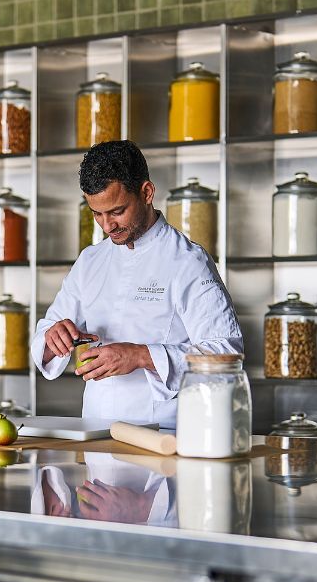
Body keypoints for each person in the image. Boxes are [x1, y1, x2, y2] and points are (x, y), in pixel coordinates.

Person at [29, 140, 242, 428]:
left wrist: (142, 355)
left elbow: (226, 355)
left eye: (117, 211)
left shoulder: (187, 261)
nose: (107, 226)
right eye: (96, 214)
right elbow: (45, 334)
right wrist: (54, 336)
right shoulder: (90, 260)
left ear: (147, 193)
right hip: (96, 434)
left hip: (163, 436)